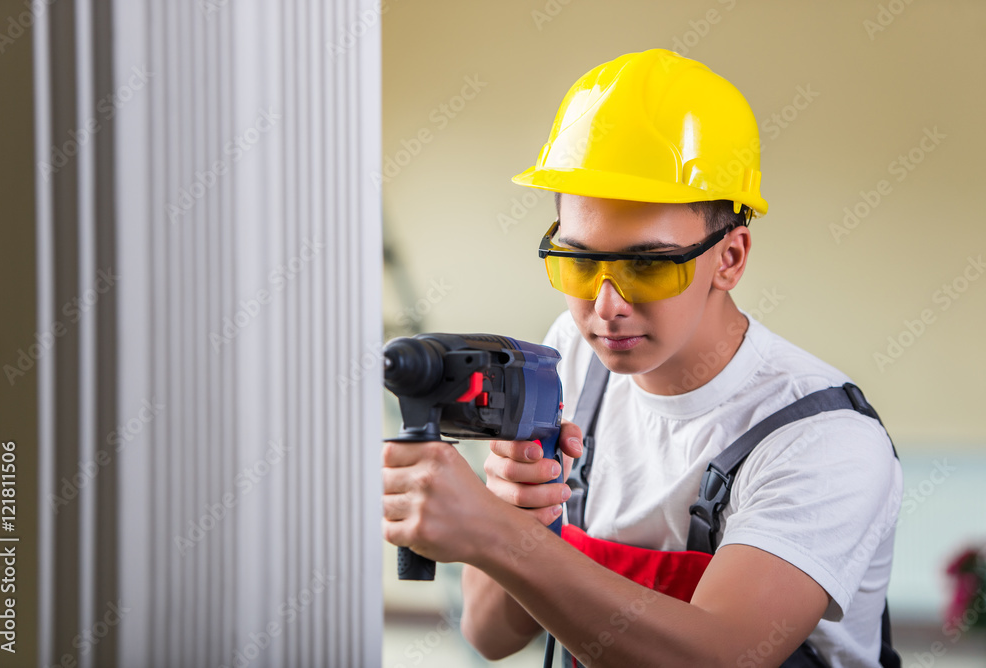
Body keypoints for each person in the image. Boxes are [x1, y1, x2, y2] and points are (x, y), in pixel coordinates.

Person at [382, 49, 903, 667]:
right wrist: (513, 518)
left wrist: (497, 533)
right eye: (578, 261)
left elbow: (720, 658)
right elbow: (492, 636)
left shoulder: (823, 438)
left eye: (647, 266)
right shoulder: (571, 357)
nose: (606, 306)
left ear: (730, 258)